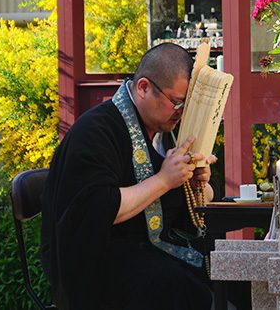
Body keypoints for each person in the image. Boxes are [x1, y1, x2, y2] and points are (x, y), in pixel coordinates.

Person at [41, 43, 218, 309]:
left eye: (185, 106)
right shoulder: (94, 131)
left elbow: (177, 210)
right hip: (96, 266)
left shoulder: (157, 133)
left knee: (221, 269)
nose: (179, 114)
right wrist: (163, 180)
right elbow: (98, 208)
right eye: (176, 103)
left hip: (142, 253)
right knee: (173, 285)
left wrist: (193, 183)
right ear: (144, 87)